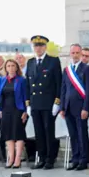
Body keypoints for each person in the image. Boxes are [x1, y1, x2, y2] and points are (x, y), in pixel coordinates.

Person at [25, 35, 62, 170]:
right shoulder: (30, 63)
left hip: (48, 103)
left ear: (45, 47)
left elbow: (58, 83)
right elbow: (27, 85)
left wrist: (57, 102)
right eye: (35, 46)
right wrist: (28, 104)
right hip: (35, 103)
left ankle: (50, 159)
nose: (38, 48)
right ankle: (41, 158)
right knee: (38, 133)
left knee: (48, 132)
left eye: (40, 45)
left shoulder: (53, 61)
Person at [60, 44, 89, 171]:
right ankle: (75, 159)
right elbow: (63, 89)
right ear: (70, 54)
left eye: (77, 53)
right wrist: (62, 107)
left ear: (81, 54)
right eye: (73, 53)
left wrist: (86, 108)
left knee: (81, 134)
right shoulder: (67, 70)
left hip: (81, 108)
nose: (75, 55)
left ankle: (83, 160)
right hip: (68, 107)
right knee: (73, 135)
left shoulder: (87, 69)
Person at [0, 59, 28, 168]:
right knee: (8, 134)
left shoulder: (21, 80)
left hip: (18, 109)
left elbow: (25, 96)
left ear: (16, 68)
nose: (10, 68)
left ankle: (17, 158)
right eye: (8, 66)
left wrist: (25, 111)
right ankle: (11, 158)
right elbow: (0, 96)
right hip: (6, 109)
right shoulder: (3, 80)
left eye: (13, 66)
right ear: (5, 68)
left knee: (18, 133)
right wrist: (1, 109)